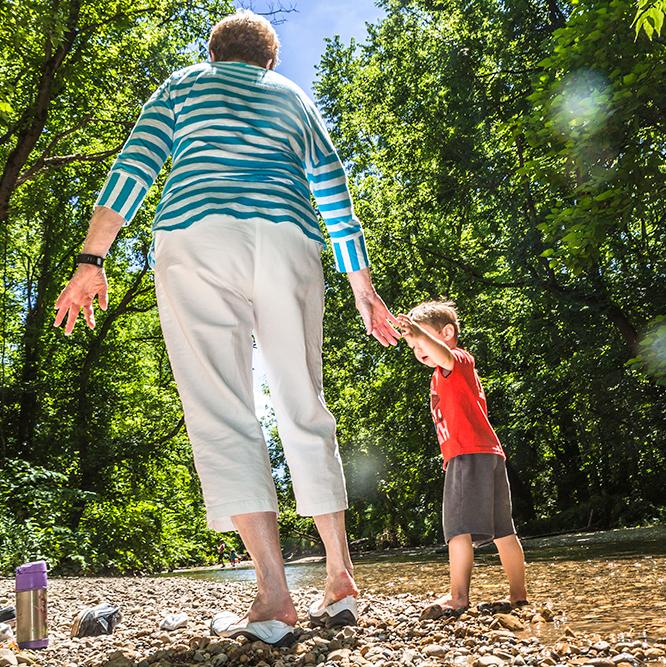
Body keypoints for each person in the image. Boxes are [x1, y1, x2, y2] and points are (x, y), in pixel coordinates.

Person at [54, 9, 399, 646]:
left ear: (214, 55)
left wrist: (91, 260)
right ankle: (342, 574)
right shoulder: (291, 95)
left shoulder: (183, 86)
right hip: (287, 239)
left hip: (197, 237)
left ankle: (273, 590)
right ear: (268, 60)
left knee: (221, 407)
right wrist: (363, 290)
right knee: (303, 402)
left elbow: (132, 167)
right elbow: (332, 188)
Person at [398, 300, 528, 615]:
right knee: (503, 531)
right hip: (486, 454)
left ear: (448, 332)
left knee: (458, 530)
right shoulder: (441, 374)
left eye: (423, 338)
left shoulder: (457, 360)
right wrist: (417, 335)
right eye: (414, 345)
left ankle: (459, 596)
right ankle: (518, 595)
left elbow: (443, 354)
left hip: (468, 455)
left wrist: (420, 334)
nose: (419, 349)